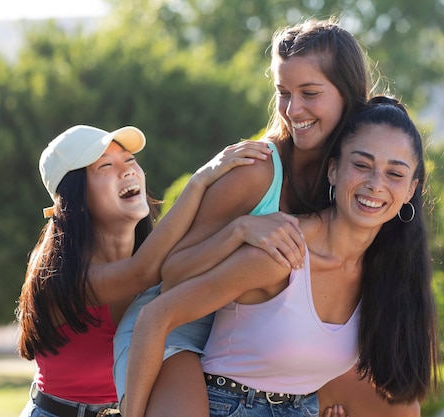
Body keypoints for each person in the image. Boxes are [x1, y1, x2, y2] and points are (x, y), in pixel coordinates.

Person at [112, 17, 372, 416]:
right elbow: (174, 276)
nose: (293, 108)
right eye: (283, 92)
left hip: (247, 343)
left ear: (348, 96)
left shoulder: (356, 178)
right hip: (173, 328)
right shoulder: (256, 170)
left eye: (309, 92)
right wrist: (240, 230)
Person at [123, 97, 439, 417]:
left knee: (402, 410)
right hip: (229, 405)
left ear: (411, 190)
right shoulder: (283, 250)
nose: (375, 185)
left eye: (394, 174)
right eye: (361, 165)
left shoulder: (386, 273)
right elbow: (156, 315)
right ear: (333, 170)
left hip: (302, 407)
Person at [16, 124, 302, 417]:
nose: (127, 171)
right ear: (73, 197)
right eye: (106, 166)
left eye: (129, 160)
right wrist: (200, 181)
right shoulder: (56, 272)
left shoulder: (162, 257)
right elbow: (142, 273)